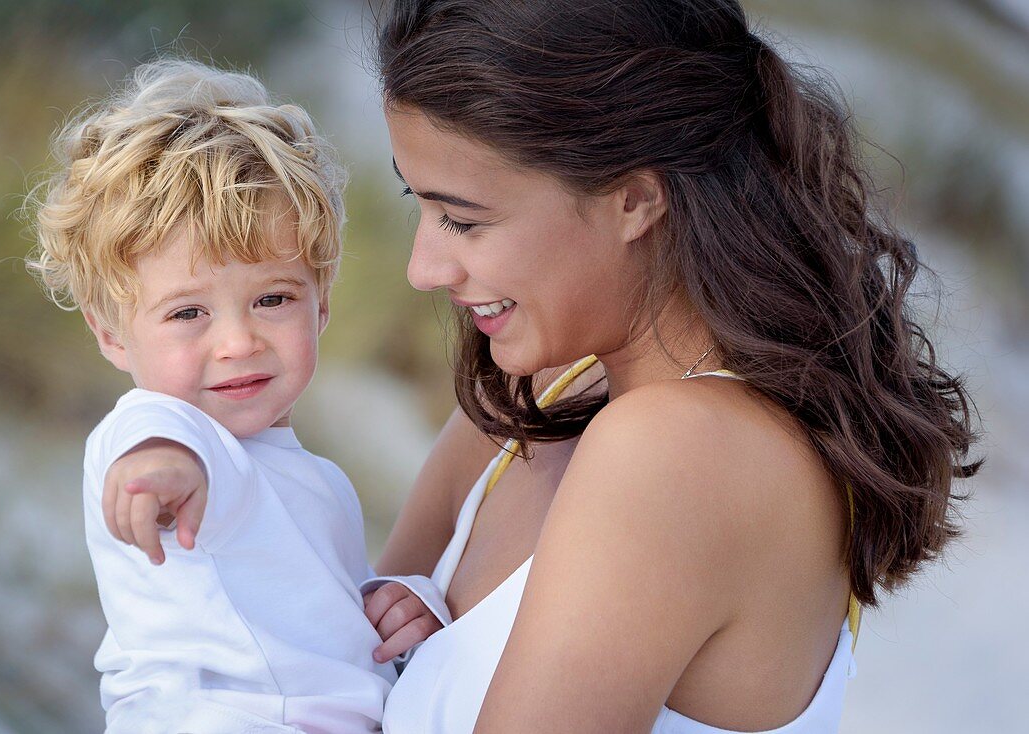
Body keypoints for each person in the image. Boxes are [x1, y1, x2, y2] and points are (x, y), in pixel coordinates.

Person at [109, 2, 982, 732]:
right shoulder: (540, 391)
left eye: (466, 219)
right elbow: (336, 672)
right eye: (423, 207)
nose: (424, 268)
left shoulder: (684, 453)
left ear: (635, 198)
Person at [26, 59, 448, 733]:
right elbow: (154, 449)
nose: (238, 341)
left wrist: (390, 601)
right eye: (188, 313)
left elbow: (304, 618)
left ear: (322, 306)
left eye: (273, 299)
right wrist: (162, 468)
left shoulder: (314, 479)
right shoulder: (163, 426)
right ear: (110, 333)